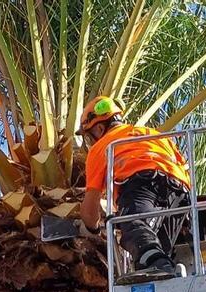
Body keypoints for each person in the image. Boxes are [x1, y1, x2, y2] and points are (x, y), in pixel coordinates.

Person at [77, 96, 192, 281]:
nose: (91, 141)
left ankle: (159, 264)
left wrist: (92, 230)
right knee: (157, 246)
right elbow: (183, 166)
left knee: (132, 225)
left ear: (99, 128)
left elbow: (91, 210)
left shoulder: (103, 146)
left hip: (141, 184)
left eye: (89, 136)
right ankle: (163, 267)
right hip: (180, 191)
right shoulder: (153, 134)